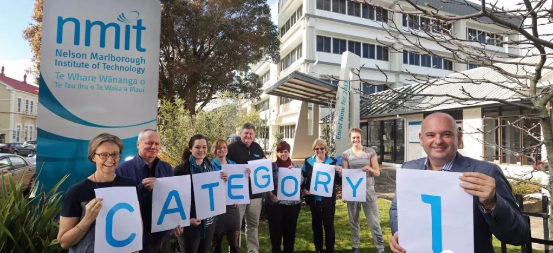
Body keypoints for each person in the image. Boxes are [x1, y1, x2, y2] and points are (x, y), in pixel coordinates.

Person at [389, 112, 531, 253]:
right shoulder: (409, 169)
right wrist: (399, 232)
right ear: (421, 139)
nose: (438, 141)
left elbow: (519, 235)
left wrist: (492, 203)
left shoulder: (486, 173)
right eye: (431, 135)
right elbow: (397, 209)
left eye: (446, 134)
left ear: (459, 138)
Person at [57, 133, 137, 253]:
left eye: (115, 154)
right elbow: (64, 242)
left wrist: (134, 246)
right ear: (93, 157)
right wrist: (88, 219)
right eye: (103, 155)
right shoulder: (76, 192)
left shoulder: (129, 185)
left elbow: (136, 222)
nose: (110, 160)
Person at [115, 129, 181, 252]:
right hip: (138, 238)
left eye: (157, 144)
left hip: (163, 235)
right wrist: (141, 188)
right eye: (149, 143)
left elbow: (172, 198)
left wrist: (175, 220)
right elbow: (119, 203)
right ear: (138, 144)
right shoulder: (122, 170)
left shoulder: (166, 168)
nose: (153, 147)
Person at [174, 134, 229, 253]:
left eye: (204, 147)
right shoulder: (181, 170)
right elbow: (175, 199)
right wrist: (187, 220)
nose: (201, 150)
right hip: (190, 223)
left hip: (209, 222)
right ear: (190, 149)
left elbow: (215, 192)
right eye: (197, 147)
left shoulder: (211, 168)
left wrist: (223, 180)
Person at [341, 128, 385, 253]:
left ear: (361, 138)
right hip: (353, 191)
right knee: (354, 221)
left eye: (358, 137)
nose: (355, 139)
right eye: (353, 137)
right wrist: (345, 193)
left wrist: (370, 169)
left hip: (368, 190)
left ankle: (380, 248)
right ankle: (355, 247)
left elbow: (377, 172)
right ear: (350, 139)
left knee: (374, 221)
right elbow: (346, 175)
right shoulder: (346, 154)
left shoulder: (370, 152)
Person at [226, 123, 266, 253]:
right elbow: (225, 166)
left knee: (253, 225)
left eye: (251, 134)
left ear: (254, 136)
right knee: (235, 226)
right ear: (241, 134)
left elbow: (263, 166)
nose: (248, 136)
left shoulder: (258, 148)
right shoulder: (231, 148)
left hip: (255, 195)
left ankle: (253, 249)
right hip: (238, 195)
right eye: (246, 133)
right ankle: (234, 250)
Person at [301, 139, 342, 253]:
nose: (319, 151)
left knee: (329, 225)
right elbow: (302, 178)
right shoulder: (308, 162)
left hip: (328, 200)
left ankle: (330, 249)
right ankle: (318, 248)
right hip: (314, 200)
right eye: (316, 149)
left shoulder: (333, 162)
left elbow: (339, 181)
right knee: (316, 225)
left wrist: (340, 173)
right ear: (314, 150)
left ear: (326, 149)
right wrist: (304, 189)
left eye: (322, 148)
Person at [265, 141, 303, 253]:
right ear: (277, 153)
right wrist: (270, 195)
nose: (283, 154)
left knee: (290, 234)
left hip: (292, 206)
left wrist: (294, 173)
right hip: (275, 206)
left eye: (285, 152)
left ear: (289, 152)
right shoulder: (271, 167)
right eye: (281, 152)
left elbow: (301, 182)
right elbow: (265, 184)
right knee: (275, 234)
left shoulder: (295, 166)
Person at [210, 139, 241, 253]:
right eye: (219, 148)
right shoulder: (210, 166)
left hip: (232, 208)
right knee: (216, 245)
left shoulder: (233, 164)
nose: (222, 150)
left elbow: (239, 184)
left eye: (224, 147)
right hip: (217, 209)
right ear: (215, 151)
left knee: (235, 245)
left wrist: (246, 173)